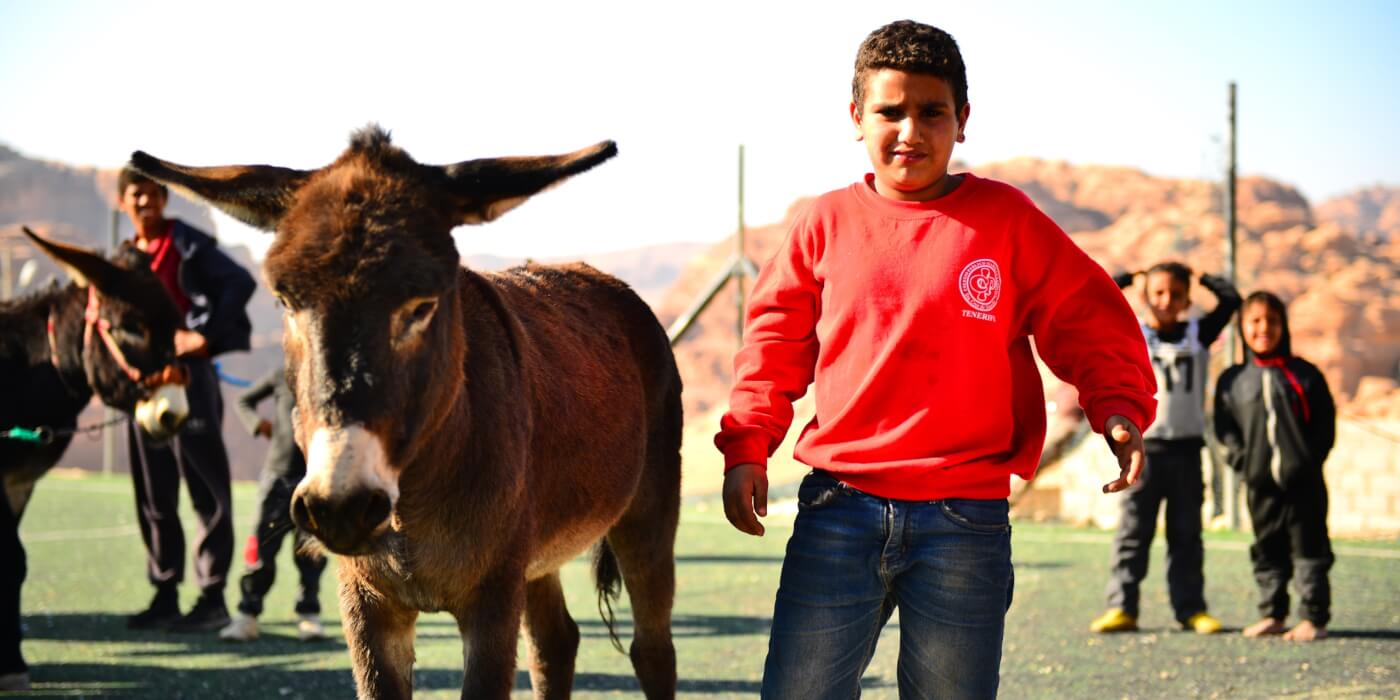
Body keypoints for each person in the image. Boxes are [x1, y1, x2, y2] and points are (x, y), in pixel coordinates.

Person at [715, 20, 1157, 699]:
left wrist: (1118, 406)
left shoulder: (1006, 221)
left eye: (932, 112)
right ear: (857, 117)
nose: (910, 131)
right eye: (890, 111)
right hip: (840, 505)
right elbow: (773, 344)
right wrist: (748, 443)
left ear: (963, 121)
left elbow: (1087, 317)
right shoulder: (822, 223)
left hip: (965, 520)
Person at [117, 167, 255, 632]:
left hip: (191, 379)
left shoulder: (187, 243)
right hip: (146, 386)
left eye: (153, 194)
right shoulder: (122, 258)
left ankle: (212, 597)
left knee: (205, 489)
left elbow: (240, 284)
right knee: (154, 491)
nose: (145, 203)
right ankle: (165, 593)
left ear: (163, 200)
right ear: (123, 203)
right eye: (137, 195)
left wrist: (205, 338)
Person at [1090, 263, 1239, 635]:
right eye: (1158, 293)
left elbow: (1231, 299)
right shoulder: (1133, 332)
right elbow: (1098, 298)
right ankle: (1122, 606)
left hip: (1187, 450)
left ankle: (1190, 609)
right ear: (1144, 297)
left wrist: (1201, 275)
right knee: (1133, 532)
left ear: (1187, 300)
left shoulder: (1199, 333)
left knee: (1186, 534)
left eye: (1175, 294)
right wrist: (1128, 277)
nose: (1166, 301)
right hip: (1146, 450)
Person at [1214, 291, 1336, 641]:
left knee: (1310, 549)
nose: (1263, 328)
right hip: (1259, 486)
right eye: (1255, 321)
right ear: (1243, 327)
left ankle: (1314, 617)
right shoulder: (1233, 380)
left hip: (1304, 486)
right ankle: (1273, 614)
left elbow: (1325, 426)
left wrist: (1306, 463)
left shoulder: (1304, 375)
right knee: (1267, 548)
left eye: (1272, 321)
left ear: (1283, 326)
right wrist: (1244, 464)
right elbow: (1225, 429)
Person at [219, 366, 328, 642]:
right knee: (261, 550)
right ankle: (247, 615)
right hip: (277, 479)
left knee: (312, 553)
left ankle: (309, 615)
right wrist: (257, 424)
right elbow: (242, 400)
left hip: (316, 478)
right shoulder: (282, 374)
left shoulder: (332, 373)